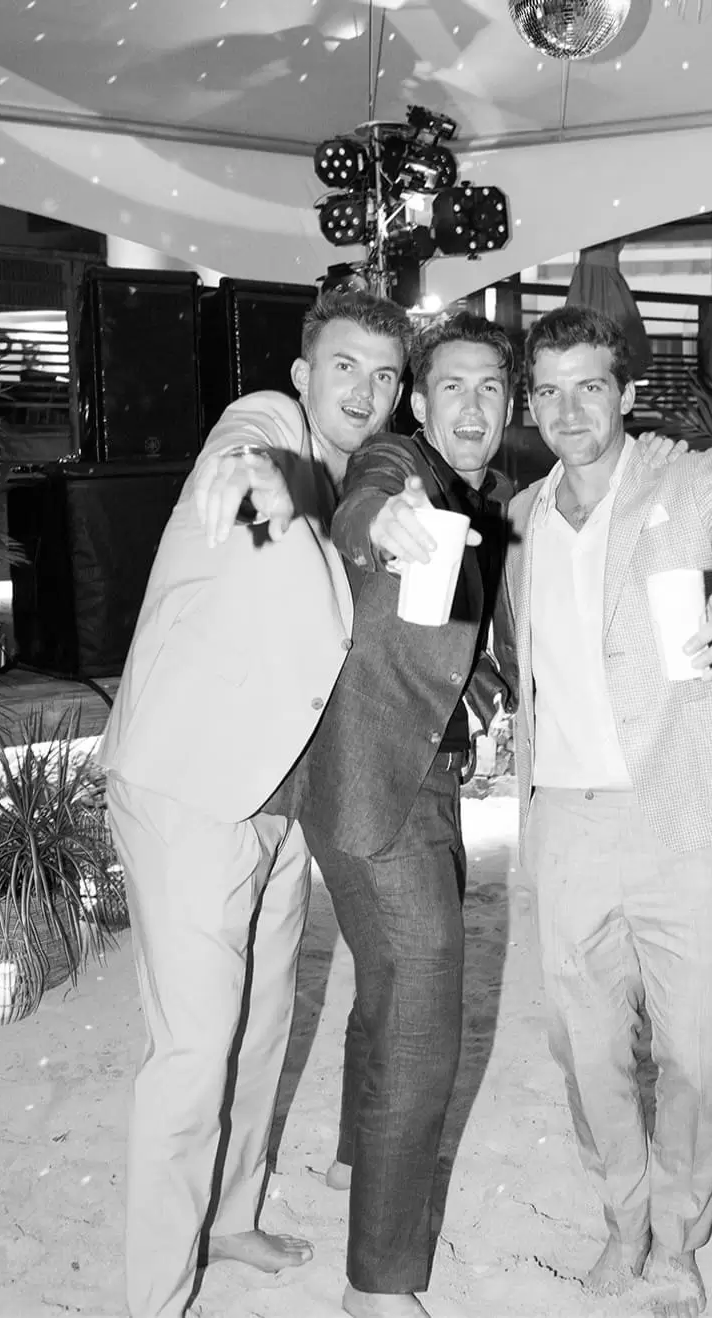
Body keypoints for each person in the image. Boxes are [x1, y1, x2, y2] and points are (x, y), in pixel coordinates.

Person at [507, 306, 712, 1318]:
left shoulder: (693, 481)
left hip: (683, 817)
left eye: (589, 386)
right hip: (565, 819)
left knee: (692, 1048)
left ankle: (677, 1239)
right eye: (549, 390)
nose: (569, 410)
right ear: (530, 403)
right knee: (584, 1046)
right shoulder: (520, 517)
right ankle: (624, 1216)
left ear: (627, 393)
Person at [98, 289, 413, 1318]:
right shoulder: (262, 427)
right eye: (345, 366)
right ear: (303, 373)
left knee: (263, 1020)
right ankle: (154, 1296)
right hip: (193, 783)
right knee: (194, 1050)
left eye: (384, 374)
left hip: (279, 795)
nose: (364, 390)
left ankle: (229, 1217)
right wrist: (315, 498)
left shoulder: (357, 474)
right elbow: (241, 479)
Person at [291, 310, 517, 1318]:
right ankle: (376, 1287)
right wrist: (378, 521)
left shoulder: (485, 497)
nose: (472, 405)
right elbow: (366, 503)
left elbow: (453, 633)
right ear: (419, 403)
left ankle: (354, 1156)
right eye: (451, 386)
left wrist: (484, 692)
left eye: (490, 388)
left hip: (420, 769)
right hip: (369, 776)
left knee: (392, 983)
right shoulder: (400, 467)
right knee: (425, 1011)